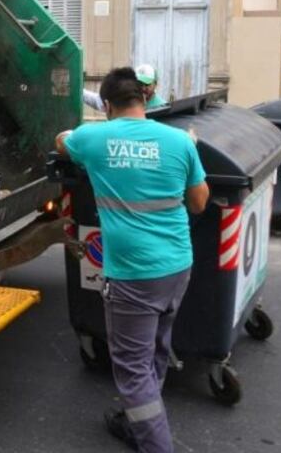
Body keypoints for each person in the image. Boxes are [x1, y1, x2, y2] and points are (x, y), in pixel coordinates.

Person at [56, 67, 210, 453]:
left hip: (133, 275)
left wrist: (72, 134)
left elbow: (62, 143)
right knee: (156, 348)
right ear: (144, 99)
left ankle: (156, 444)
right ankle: (134, 424)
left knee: (132, 369)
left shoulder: (93, 137)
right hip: (177, 266)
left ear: (107, 105)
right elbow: (199, 202)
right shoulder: (180, 141)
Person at [83, 63, 166, 111]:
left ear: (155, 84)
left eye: (147, 84)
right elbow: (99, 101)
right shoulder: (125, 98)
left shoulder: (162, 107)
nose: (143, 88)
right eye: (140, 83)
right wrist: (79, 91)